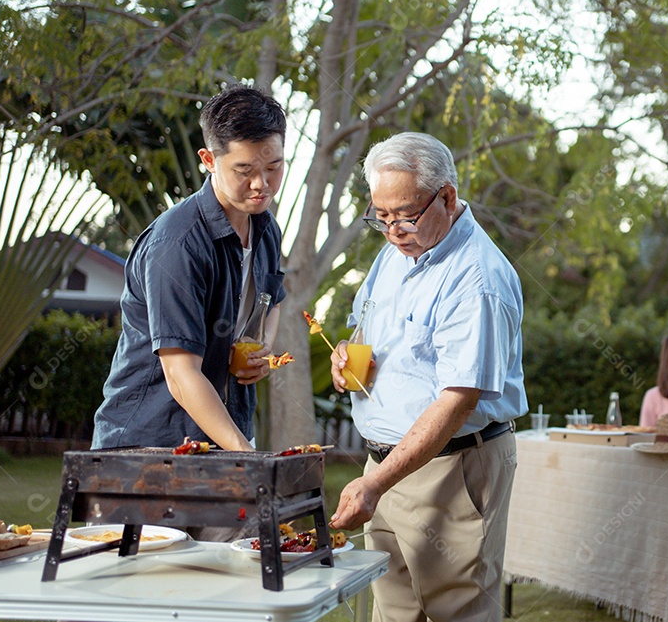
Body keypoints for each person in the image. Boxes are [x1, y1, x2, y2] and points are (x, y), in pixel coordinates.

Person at [328, 132, 526, 622]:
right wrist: (347, 356)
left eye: (406, 214)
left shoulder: (477, 279)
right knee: (395, 612)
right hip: (386, 467)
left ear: (448, 197)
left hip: (453, 469)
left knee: (456, 612)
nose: (393, 229)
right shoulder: (394, 252)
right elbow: (366, 324)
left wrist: (375, 484)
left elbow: (457, 399)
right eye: (382, 216)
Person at [92, 85, 287, 452]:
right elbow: (181, 376)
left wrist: (261, 348)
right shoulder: (177, 244)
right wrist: (248, 458)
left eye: (273, 167)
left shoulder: (266, 228)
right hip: (149, 445)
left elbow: (272, 300)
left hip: (228, 435)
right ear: (209, 160)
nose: (262, 184)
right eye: (244, 170)